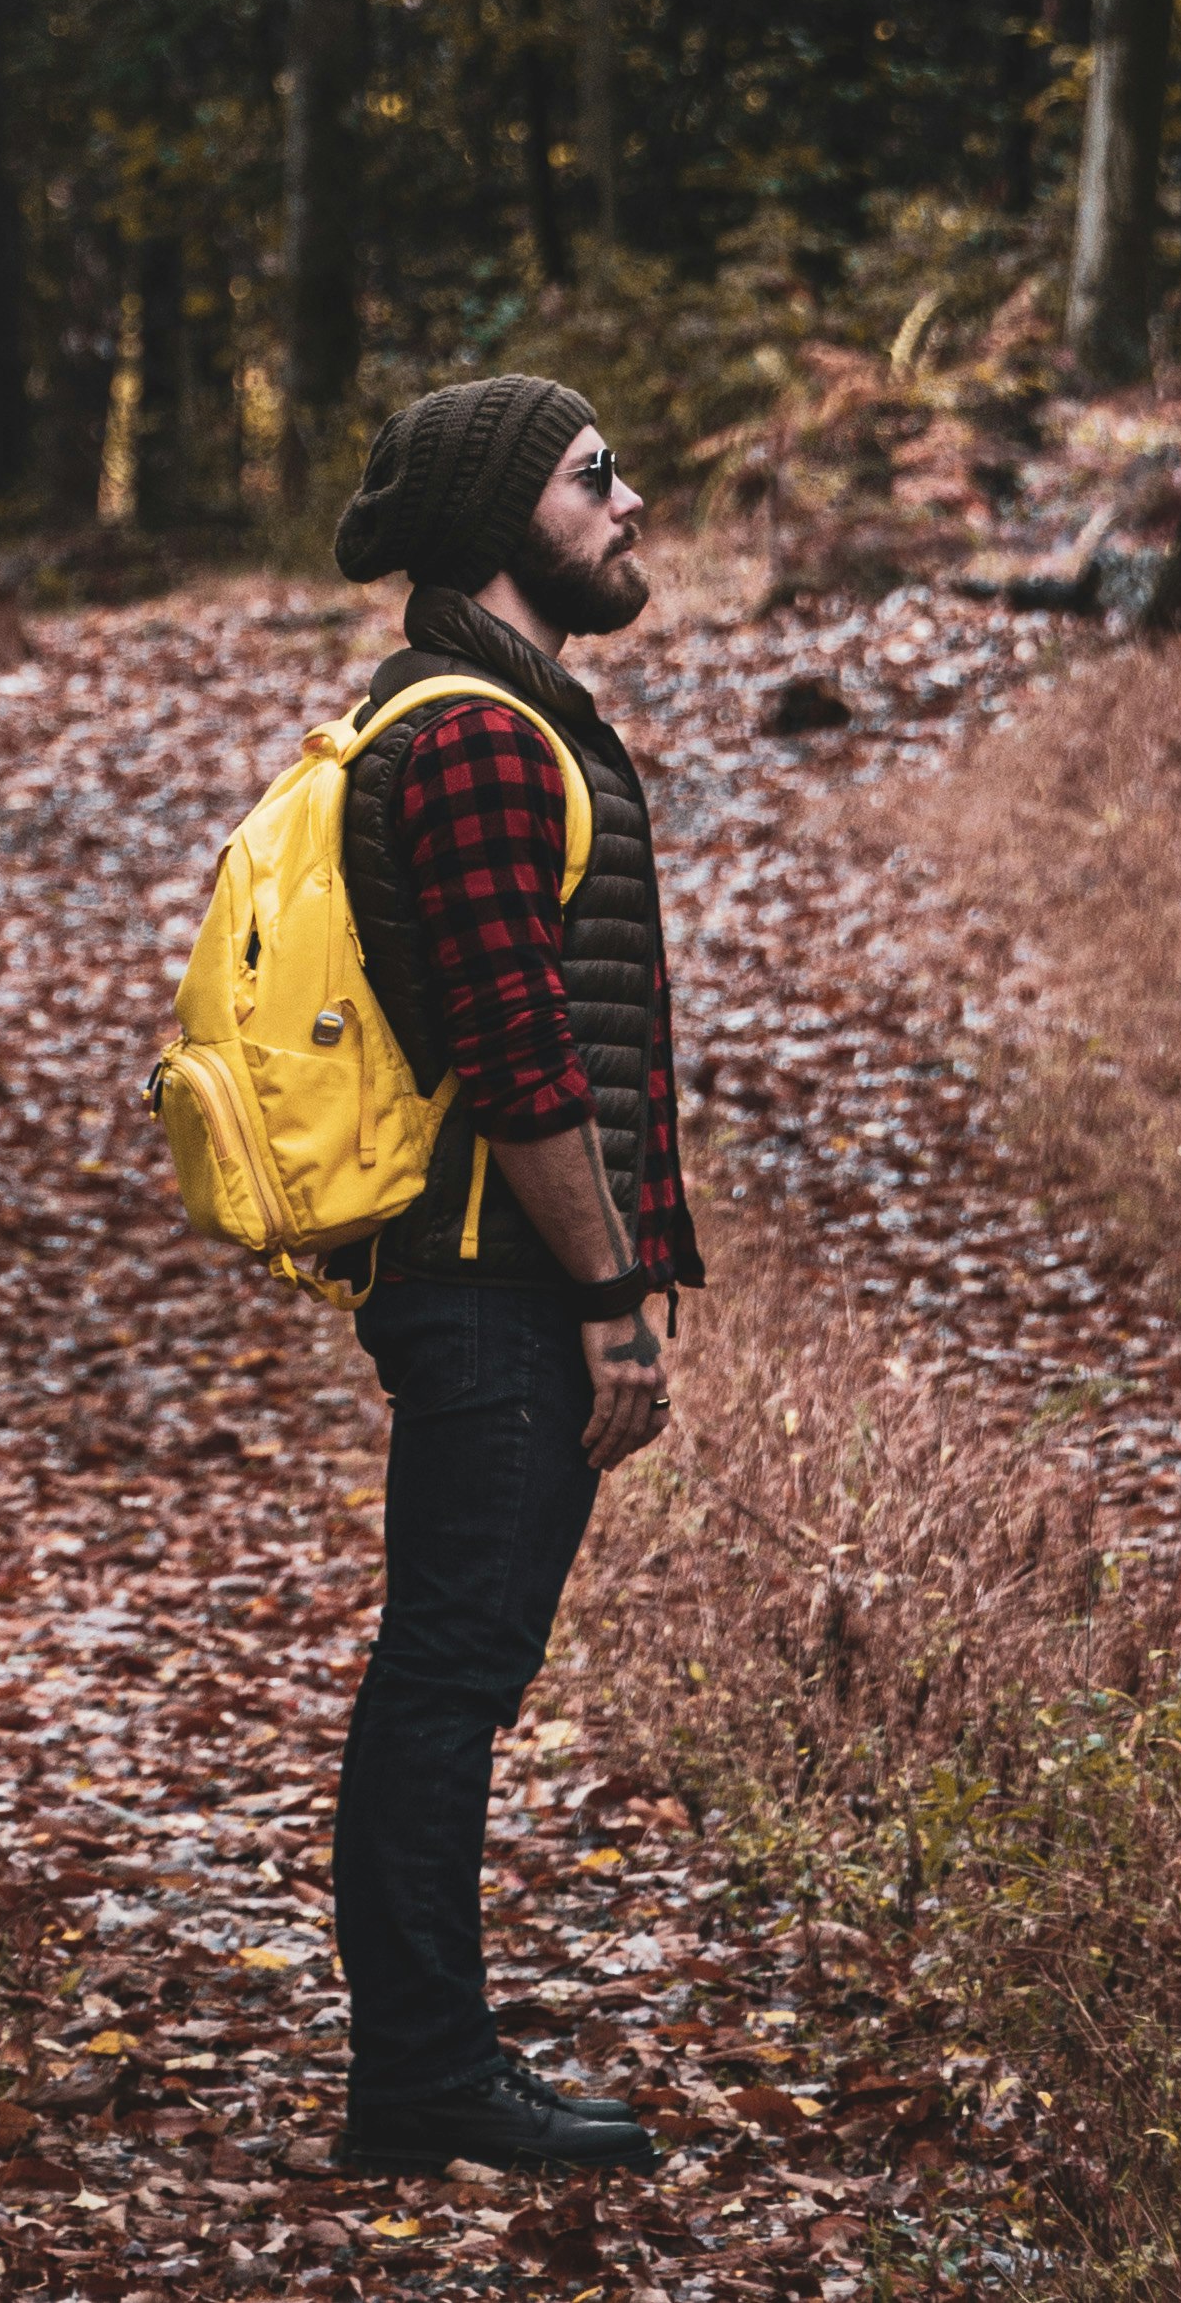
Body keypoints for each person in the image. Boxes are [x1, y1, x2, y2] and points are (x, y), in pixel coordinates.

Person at [319, 371, 698, 2179]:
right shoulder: (471, 733)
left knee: (454, 1668)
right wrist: (610, 1293)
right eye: (589, 474)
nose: (630, 498)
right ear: (498, 521)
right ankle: (422, 2074)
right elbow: (518, 1048)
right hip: (490, 1284)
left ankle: (430, 2060)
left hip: (498, 1275)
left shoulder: (508, 712)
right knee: (448, 1674)